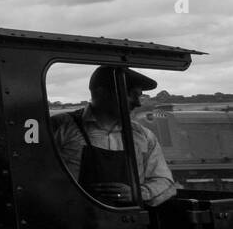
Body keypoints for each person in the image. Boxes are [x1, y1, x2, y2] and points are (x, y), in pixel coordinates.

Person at [51, 66, 176, 206]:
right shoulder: (60, 127)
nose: (138, 102)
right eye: (130, 94)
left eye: (139, 95)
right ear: (102, 92)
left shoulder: (143, 136)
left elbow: (164, 182)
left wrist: (137, 193)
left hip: (128, 223)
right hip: (72, 222)